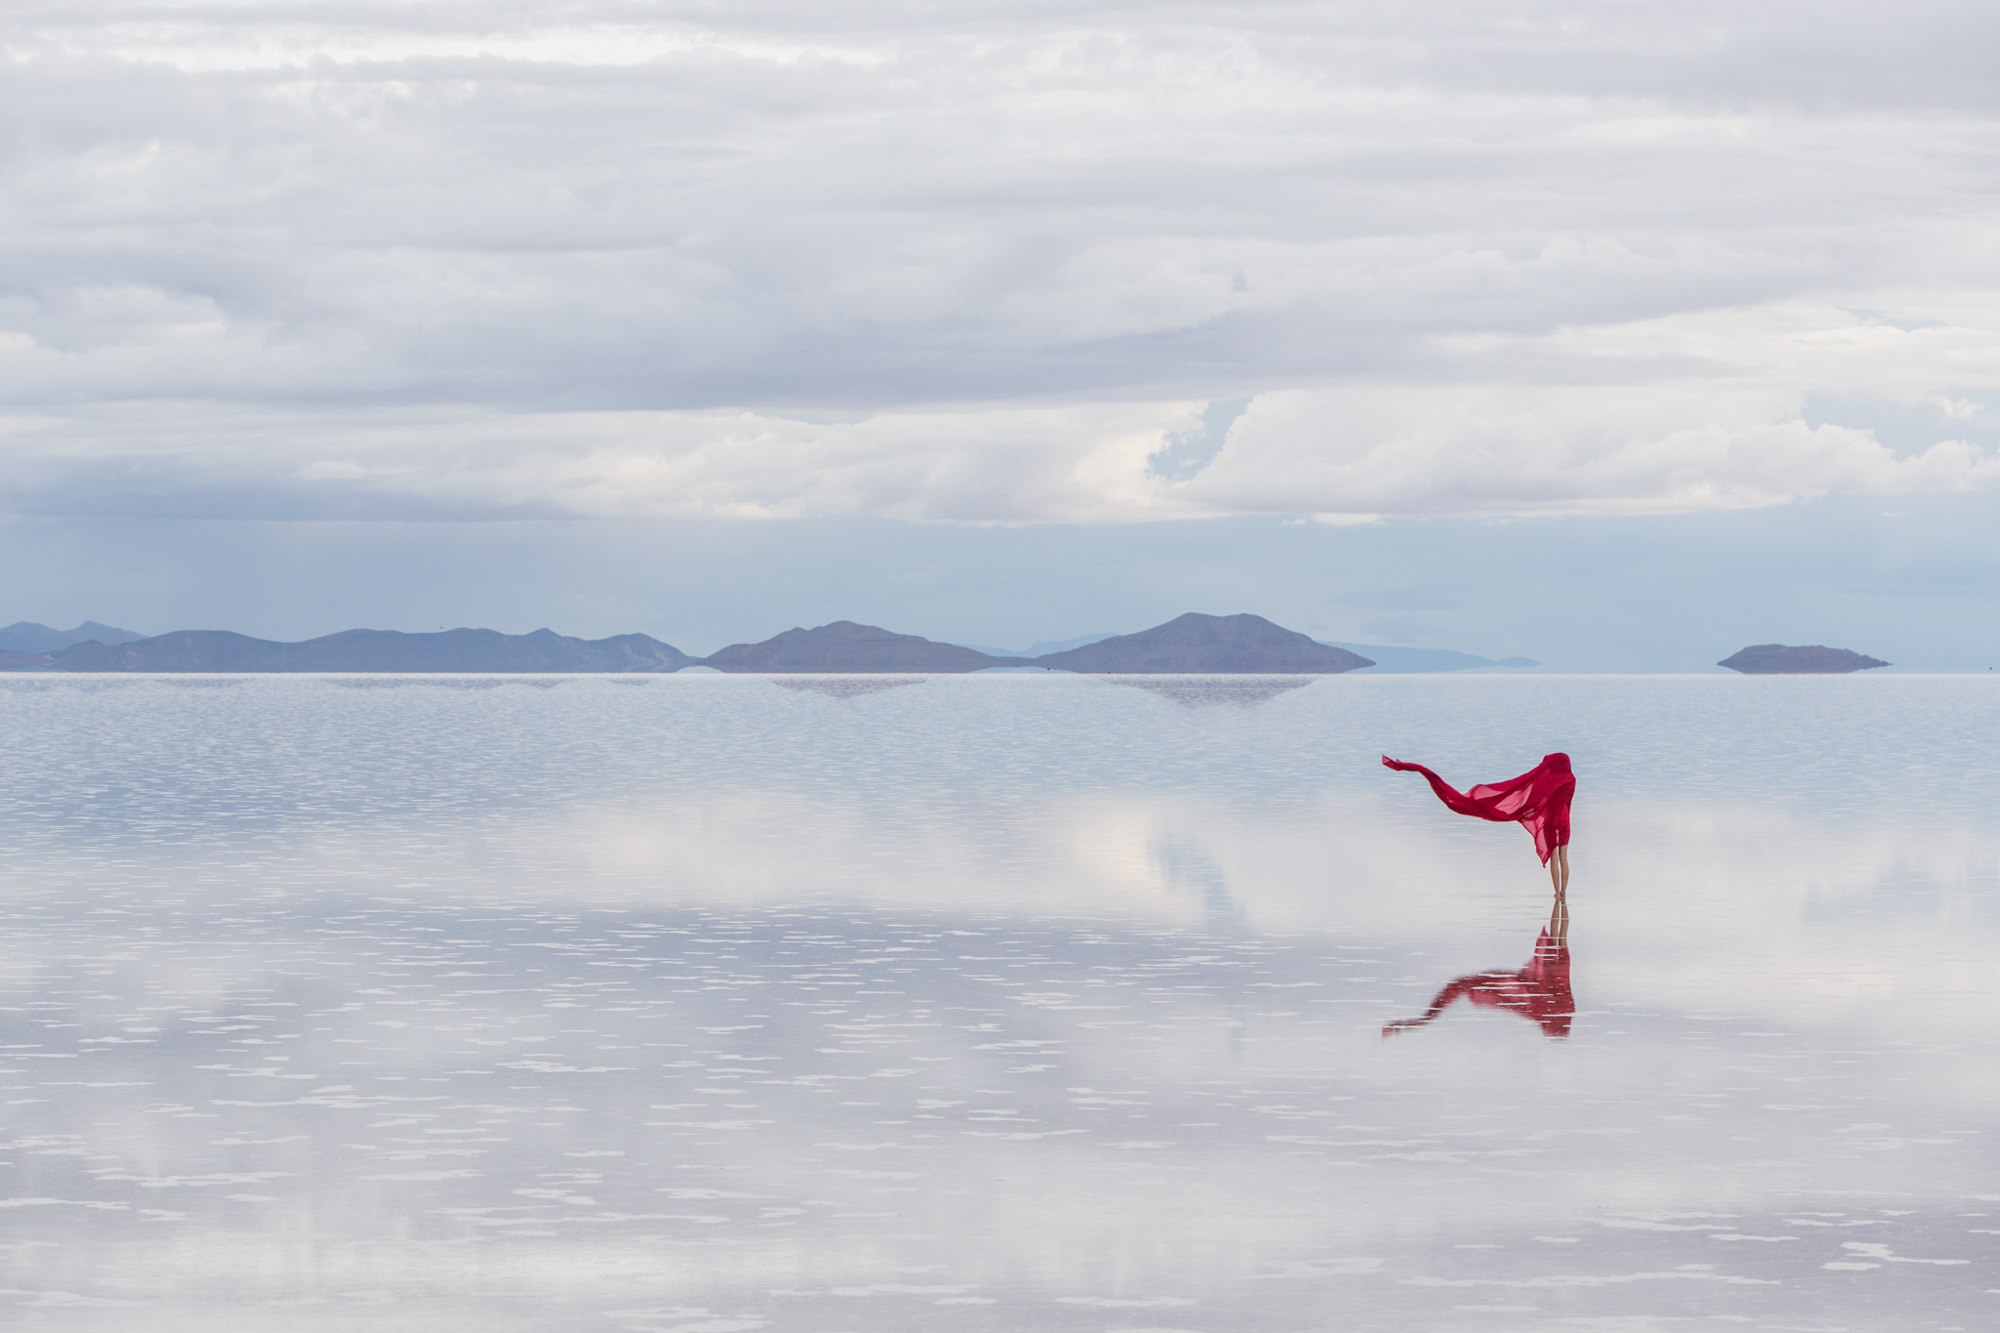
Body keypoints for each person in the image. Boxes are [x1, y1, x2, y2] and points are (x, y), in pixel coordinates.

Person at [1381, 752, 1574, 897]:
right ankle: (1564, 892)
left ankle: (1556, 893)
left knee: (1554, 858)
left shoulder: (1549, 781)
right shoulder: (1570, 780)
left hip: (1551, 819)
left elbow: (1538, 798)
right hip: (1564, 819)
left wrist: (1527, 811)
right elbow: (1567, 803)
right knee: (1563, 857)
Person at [1382, 912, 1573, 1039]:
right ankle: (1559, 899)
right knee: (1559, 939)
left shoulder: (1546, 1009)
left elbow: (1551, 991)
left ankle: (1559, 899)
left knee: (1559, 938)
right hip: (1552, 976)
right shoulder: (1548, 1009)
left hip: (1552, 975)